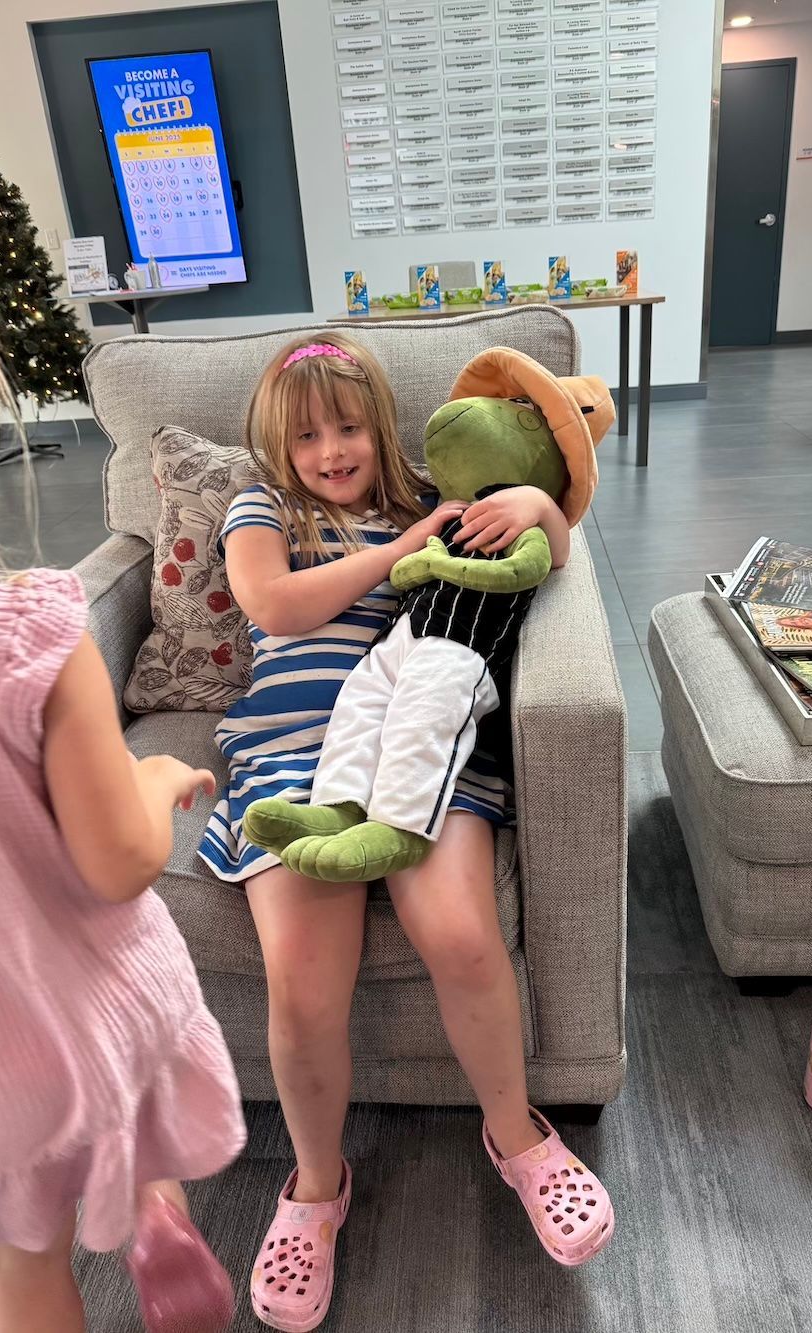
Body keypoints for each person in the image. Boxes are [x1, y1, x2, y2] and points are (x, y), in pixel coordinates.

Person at [198, 334, 614, 1332]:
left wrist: (543, 508)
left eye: (347, 426)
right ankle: (311, 1184)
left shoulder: (432, 490)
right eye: (307, 436)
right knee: (303, 980)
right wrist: (396, 551)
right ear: (276, 444)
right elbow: (270, 602)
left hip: (423, 746)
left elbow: (544, 551)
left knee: (463, 935)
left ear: (379, 425)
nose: (331, 450)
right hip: (298, 758)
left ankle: (515, 1134)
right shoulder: (265, 505)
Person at [0, 285, 247, 1333]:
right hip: (88, 1008)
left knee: (19, 1276)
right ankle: (156, 1213)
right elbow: (121, 858)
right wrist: (157, 781)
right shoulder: (30, 632)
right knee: (129, 1108)